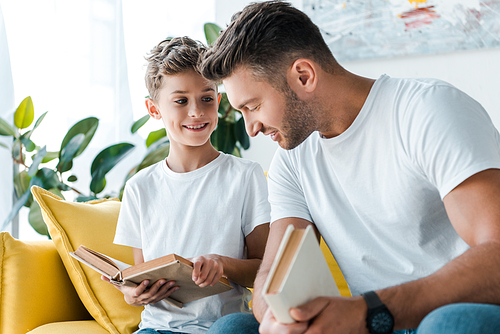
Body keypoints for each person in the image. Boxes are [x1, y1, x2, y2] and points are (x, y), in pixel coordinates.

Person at [200, 1, 500, 334]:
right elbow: (273, 272)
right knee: (232, 328)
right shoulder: (292, 159)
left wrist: (368, 311)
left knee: (450, 324)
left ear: (304, 76)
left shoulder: (427, 111)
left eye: (253, 106)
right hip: (371, 321)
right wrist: (278, 314)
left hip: (443, 315)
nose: (250, 128)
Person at [103, 36, 270, 334]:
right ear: (154, 110)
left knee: (233, 327)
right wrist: (133, 295)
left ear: (218, 101)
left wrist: (223, 264)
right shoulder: (140, 187)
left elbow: (264, 270)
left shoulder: (245, 176)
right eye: (181, 101)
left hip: (221, 326)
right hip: (158, 327)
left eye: (207, 98)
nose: (196, 111)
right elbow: (141, 275)